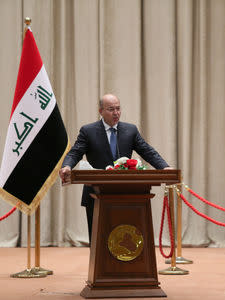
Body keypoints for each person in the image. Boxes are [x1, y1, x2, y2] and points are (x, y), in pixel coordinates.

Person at [59, 93, 171, 244]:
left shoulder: (130, 130)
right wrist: (67, 166)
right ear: (101, 111)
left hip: (125, 193)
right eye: (111, 109)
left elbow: (147, 151)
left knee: (125, 238)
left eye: (118, 109)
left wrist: (164, 167)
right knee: (98, 240)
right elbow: (75, 152)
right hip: (95, 193)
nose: (116, 113)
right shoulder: (88, 131)